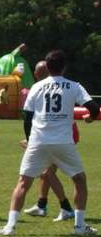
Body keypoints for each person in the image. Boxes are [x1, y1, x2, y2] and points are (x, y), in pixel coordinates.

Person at [0, 49, 99, 237]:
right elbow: (94, 108)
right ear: (64, 67)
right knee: (79, 179)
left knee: (23, 182)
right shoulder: (74, 86)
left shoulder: (36, 87)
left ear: (47, 67)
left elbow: (28, 117)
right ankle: (79, 225)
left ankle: (10, 226)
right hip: (63, 142)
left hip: (38, 141)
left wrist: (30, 139)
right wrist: (90, 118)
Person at [22, 59, 76, 221]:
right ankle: (41, 205)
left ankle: (66, 207)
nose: (36, 74)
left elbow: (32, 117)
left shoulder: (43, 88)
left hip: (59, 137)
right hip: (57, 135)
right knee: (45, 174)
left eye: (37, 72)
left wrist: (31, 141)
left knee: (47, 172)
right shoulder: (49, 87)